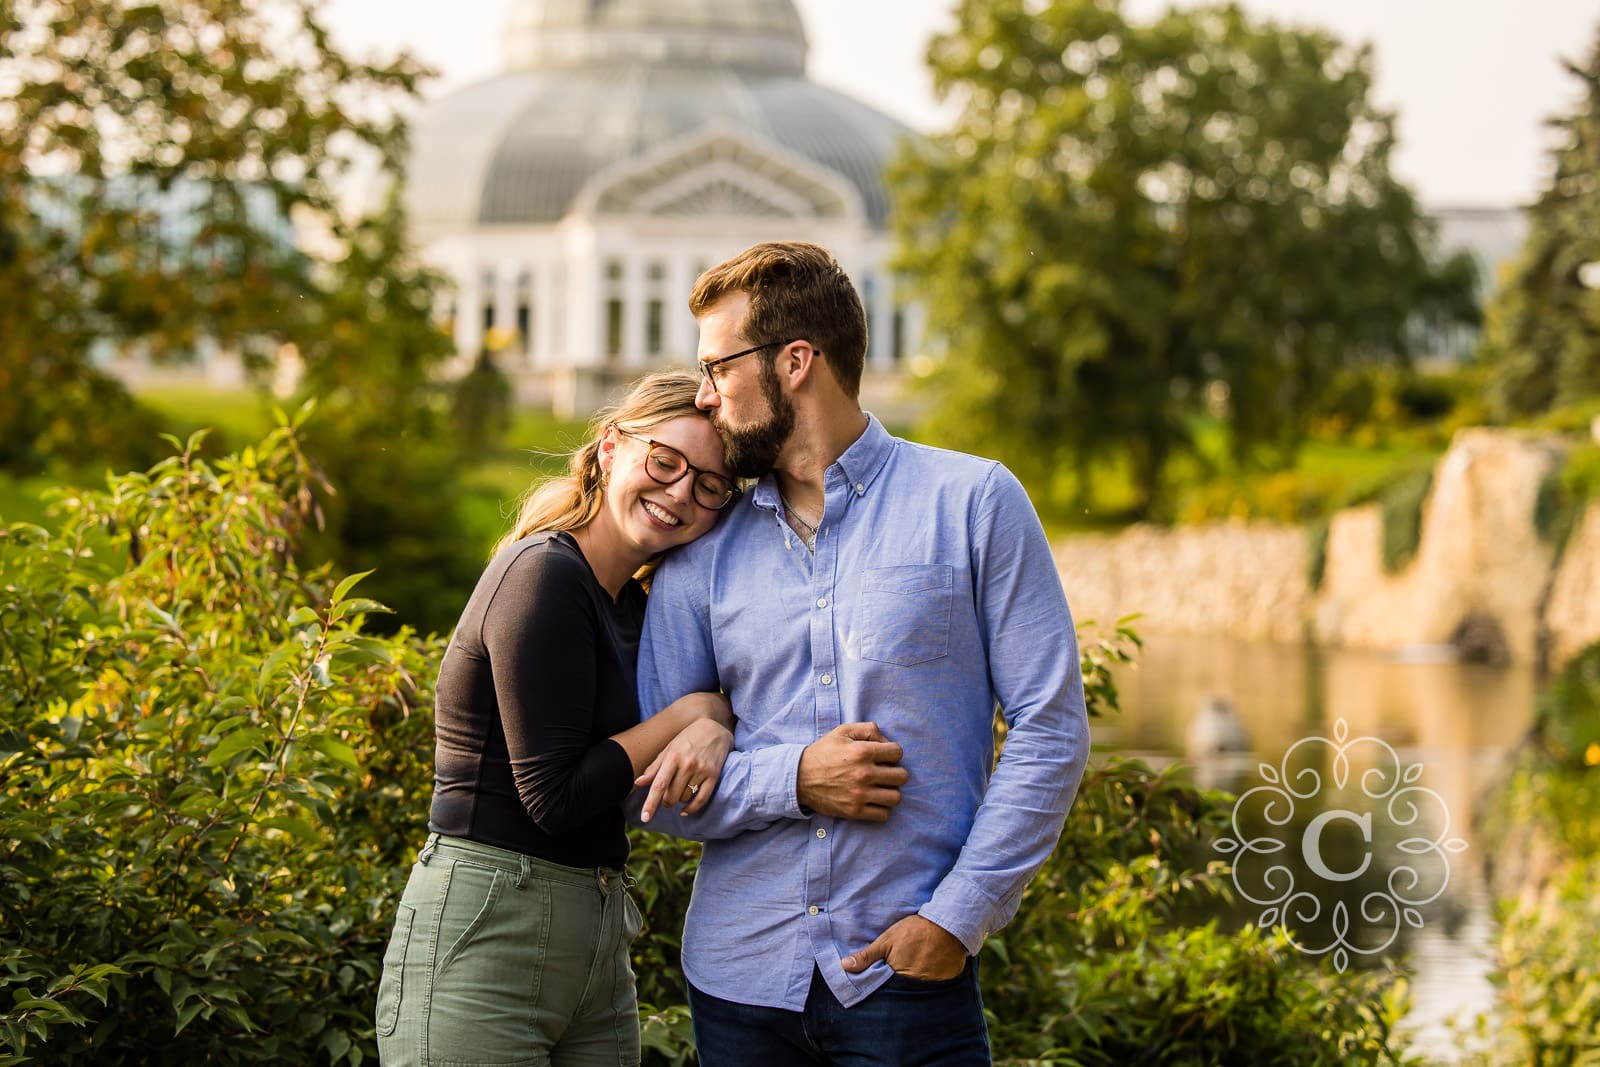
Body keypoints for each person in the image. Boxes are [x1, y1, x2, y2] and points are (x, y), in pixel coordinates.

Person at [631, 242, 1091, 1065]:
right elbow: (657, 792)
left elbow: (1051, 727)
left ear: (796, 361)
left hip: (907, 979)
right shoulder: (698, 552)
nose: (703, 395)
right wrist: (794, 777)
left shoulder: (974, 503)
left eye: (717, 367)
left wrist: (958, 915)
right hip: (740, 990)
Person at [375, 371, 742, 1067]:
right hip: (488, 932)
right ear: (610, 448)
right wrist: (691, 713)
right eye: (665, 462)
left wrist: (714, 721)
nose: (679, 494)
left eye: (709, 485)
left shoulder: (635, 608)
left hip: (596, 935)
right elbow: (555, 795)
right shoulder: (543, 574)